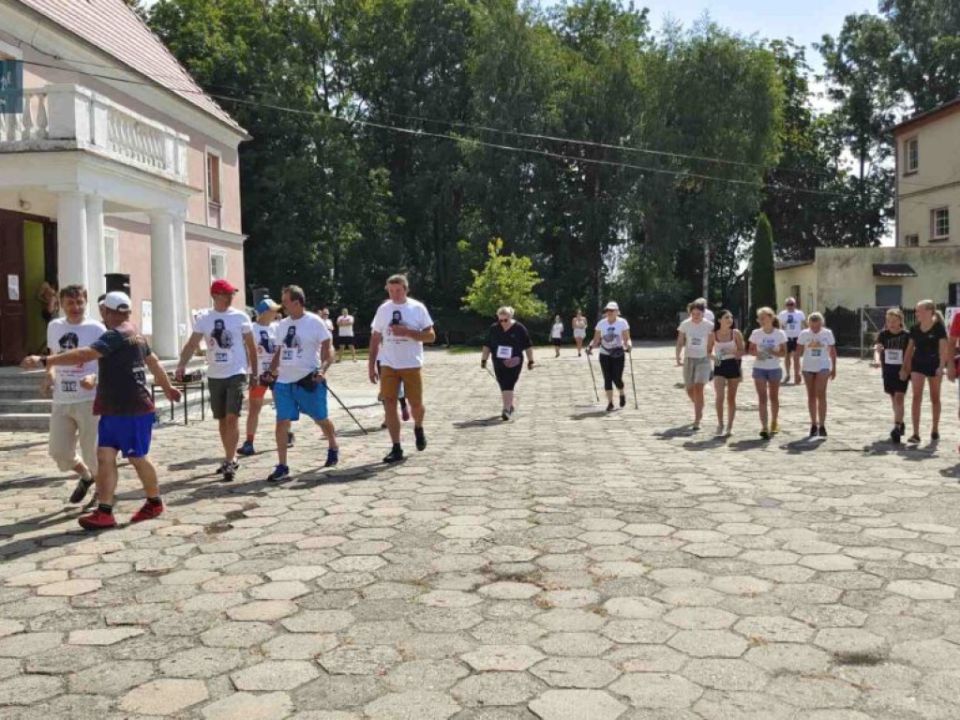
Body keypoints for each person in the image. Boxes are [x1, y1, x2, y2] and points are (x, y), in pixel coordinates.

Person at [22, 292, 182, 530]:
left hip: (132, 409)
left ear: (106, 311)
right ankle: (105, 512)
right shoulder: (135, 332)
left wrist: (47, 360)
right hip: (112, 408)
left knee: (137, 458)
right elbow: (154, 361)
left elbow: (85, 354)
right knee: (104, 457)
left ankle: (154, 502)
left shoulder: (115, 335)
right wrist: (167, 388)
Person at [176, 279, 258, 482]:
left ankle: (229, 460)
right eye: (226, 294)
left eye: (231, 294)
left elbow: (251, 346)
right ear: (215, 296)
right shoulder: (205, 318)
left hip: (236, 372)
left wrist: (254, 373)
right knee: (221, 419)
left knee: (232, 417)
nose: (230, 298)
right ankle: (230, 455)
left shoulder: (240, 317)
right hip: (215, 374)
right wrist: (181, 364)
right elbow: (192, 343)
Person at [262, 285, 339, 481]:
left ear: (297, 303)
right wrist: (270, 371)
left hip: (308, 380)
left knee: (320, 418)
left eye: (285, 302)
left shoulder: (314, 322)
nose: (282, 306)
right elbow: (279, 351)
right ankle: (282, 465)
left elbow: (329, 349)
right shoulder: (282, 325)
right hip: (284, 382)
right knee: (282, 422)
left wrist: (323, 369)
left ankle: (332, 444)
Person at [42, 285, 105, 504]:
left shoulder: (96, 329)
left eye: (80, 302)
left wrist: (94, 378)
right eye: (70, 303)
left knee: (92, 452)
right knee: (59, 451)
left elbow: (107, 363)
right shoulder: (54, 326)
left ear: (86, 302)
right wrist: (49, 375)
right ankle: (87, 476)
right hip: (62, 400)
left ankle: (102, 493)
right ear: (61, 304)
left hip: (89, 399)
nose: (76, 307)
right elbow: (53, 358)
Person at [368, 274, 436, 464]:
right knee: (389, 402)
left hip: (411, 364)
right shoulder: (383, 309)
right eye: (390, 291)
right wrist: (371, 365)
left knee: (416, 404)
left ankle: (418, 427)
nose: (394, 294)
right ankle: (396, 446)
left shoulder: (417, 308)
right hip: (388, 364)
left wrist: (407, 332)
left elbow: (431, 336)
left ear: (406, 290)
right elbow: (375, 337)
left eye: (398, 290)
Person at [238, 298, 283, 456]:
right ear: (264, 312)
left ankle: (286, 434)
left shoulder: (277, 327)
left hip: (276, 373)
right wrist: (251, 373)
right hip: (258, 374)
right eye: (273, 310)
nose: (276, 313)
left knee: (282, 406)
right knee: (254, 408)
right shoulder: (251, 328)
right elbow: (246, 351)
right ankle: (249, 442)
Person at [901, 299, 950, 444]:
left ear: (929, 311)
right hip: (918, 365)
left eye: (919, 310)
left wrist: (941, 366)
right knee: (916, 397)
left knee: (935, 398)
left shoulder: (938, 328)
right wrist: (904, 367)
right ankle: (915, 434)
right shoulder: (915, 328)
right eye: (916, 310)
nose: (916, 313)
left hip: (934, 365)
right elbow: (909, 349)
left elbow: (943, 350)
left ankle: (935, 429)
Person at [481, 307, 535, 420]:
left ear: (511, 317)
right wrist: (484, 359)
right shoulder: (494, 328)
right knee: (502, 383)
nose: (503, 323)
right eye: (500, 320)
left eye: (505, 320)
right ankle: (509, 404)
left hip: (515, 360)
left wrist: (531, 360)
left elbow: (528, 345)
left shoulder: (519, 328)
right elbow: (487, 345)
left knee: (508, 383)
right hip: (498, 361)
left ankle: (506, 409)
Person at [748, 307, 787, 440]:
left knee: (773, 397)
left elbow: (784, 353)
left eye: (764, 318)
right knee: (762, 398)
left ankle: (774, 421)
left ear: (771, 318)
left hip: (774, 368)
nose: (761, 321)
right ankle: (764, 426)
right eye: (760, 319)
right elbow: (750, 350)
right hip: (759, 368)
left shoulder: (779, 334)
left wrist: (772, 351)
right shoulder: (756, 333)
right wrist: (757, 354)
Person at [872, 308, 910, 444]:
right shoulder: (883, 334)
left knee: (899, 398)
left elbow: (910, 354)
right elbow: (877, 349)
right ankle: (900, 421)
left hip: (902, 371)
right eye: (888, 321)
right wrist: (877, 361)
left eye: (894, 321)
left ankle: (897, 427)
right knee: (894, 399)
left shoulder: (907, 335)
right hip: (888, 371)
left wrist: (906, 369)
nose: (891, 323)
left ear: (900, 321)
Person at [797, 312, 837, 438]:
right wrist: (796, 371)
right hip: (808, 367)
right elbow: (797, 352)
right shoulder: (804, 334)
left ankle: (822, 424)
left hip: (823, 366)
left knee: (821, 394)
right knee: (811, 395)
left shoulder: (827, 333)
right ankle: (813, 423)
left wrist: (834, 368)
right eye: (812, 326)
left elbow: (832, 351)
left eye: (817, 326)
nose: (815, 329)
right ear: (809, 324)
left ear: (821, 324)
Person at [676, 300, 715, 430]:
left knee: (699, 387)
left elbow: (714, 342)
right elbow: (680, 341)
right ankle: (699, 405)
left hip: (703, 359)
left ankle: (697, 419)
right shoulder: (685, 324)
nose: (696, 316)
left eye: (698, 314)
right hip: (689, 358)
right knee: (689, 389)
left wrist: (715, 356)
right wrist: (678, 356)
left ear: (703, 313)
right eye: (693, 314)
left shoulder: (709, 326)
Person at [587, 301, 631, 412]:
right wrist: (590, 347)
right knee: (607, 378)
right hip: (604, 353)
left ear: (617, 312)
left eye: (611, 310)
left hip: (618, 354)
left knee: (617, 378)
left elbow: (626, 339)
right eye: (607, 310)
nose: (609, 312)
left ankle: (621, 393)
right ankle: (610, 403)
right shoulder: (601, 323)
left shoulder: (622, 322)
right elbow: (596, 339)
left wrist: (629, 345)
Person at [712, 310, 744, 436]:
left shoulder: (736, 333)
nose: (730, 319)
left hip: (733, 364)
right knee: (720, 396)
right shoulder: (712, 334)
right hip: (719, 364)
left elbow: (742, 351)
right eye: (726, 317)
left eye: (731, 317)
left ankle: (730, 426)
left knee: (731, 398)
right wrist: (717, 357)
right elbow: (708, 352)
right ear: (719, 320)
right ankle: (720, 424)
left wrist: (732, 352)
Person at [777, 297, 806, 384]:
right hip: (786, 338)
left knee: (796, 357)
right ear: (785, 305)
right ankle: (788, 374)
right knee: (787, 356)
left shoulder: (800, 313)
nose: (790, 306)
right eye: (788, 304)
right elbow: (780, 326)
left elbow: (804, 324)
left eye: (792, 304)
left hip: (797, 337)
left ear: (795, 304)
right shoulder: (782, 314)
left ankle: (797, 374)